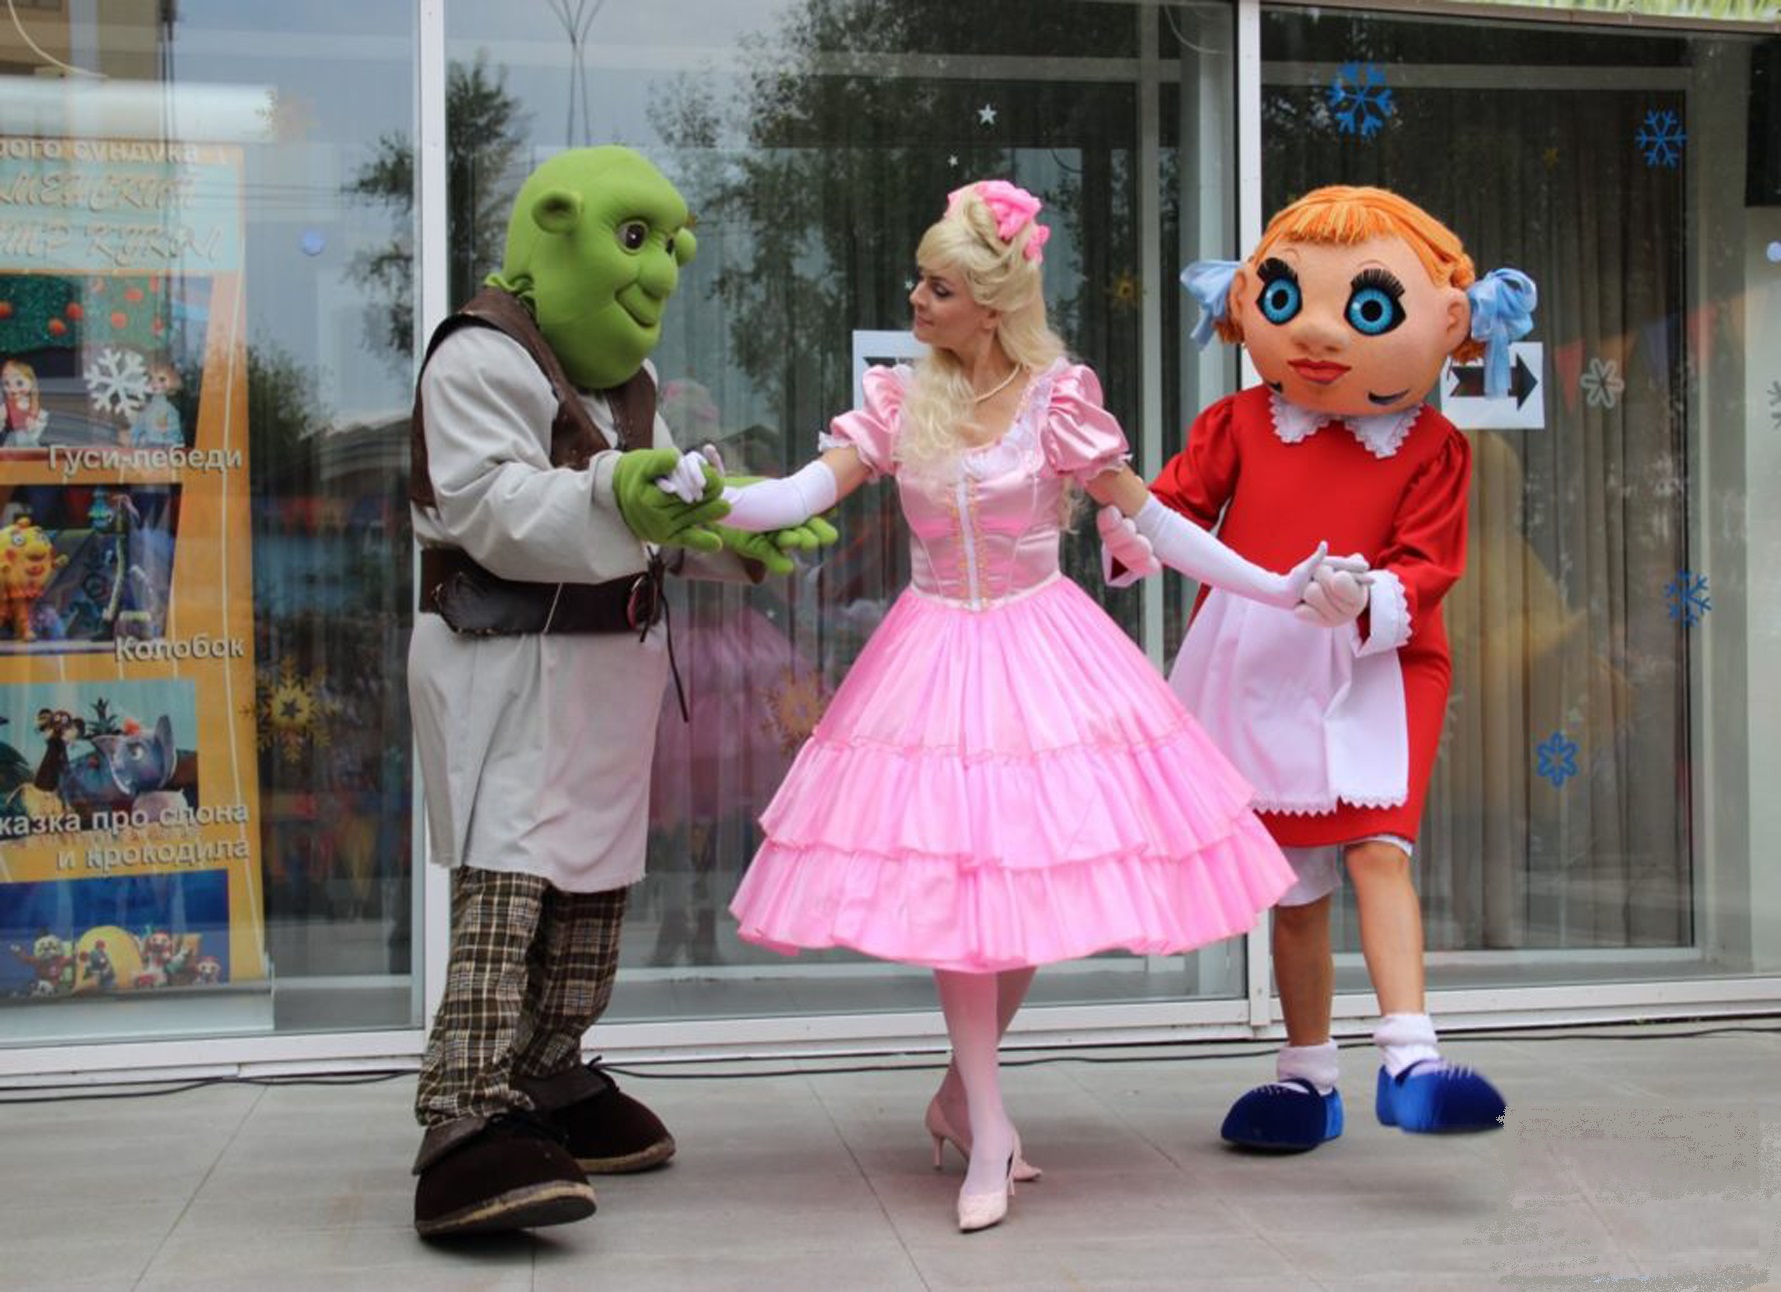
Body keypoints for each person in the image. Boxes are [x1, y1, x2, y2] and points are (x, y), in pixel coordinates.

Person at [716, 180, 1339, 1233]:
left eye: (938, 287)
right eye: (918, 282)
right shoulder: (896, 400)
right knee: (965, 893)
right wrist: (699, 495)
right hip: (930, 659)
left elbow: (1156, 521)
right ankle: (990, 1122)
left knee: (1020, 886)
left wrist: (1276, 588)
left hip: (1043, 654)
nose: (916, 300)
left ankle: (962, 1101)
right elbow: (795, 494)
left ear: (993, 302)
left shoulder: (1059, 400)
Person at [405, 145, 829, 1239]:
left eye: (671, 249)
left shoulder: (626, 387)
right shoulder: (479, 358)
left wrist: (741, 534)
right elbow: (490, 505)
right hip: (509, 663)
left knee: (592, 888)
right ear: (554, 226)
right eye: (635, 240)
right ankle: (463, 1110)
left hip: (603, 675)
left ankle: (547, 1069)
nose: (658, 273)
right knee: (508, 889)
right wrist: (622, 493)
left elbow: (665, 510)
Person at [1103, 185, 1534, 1150]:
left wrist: (1366, 596)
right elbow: (1172, 507)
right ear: (1245, 300)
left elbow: (1428, 564)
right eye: (1287, 299)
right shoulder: (1240, 422)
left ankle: (1410, 1057)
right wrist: (1123, 534)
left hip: (1382, 664)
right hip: (1259, 660)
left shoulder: (1433, 445)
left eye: (1368, 308)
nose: (1320, 333)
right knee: (1293, 877)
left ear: (1451, 322)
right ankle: (1305, 1077)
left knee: (1379, 844)